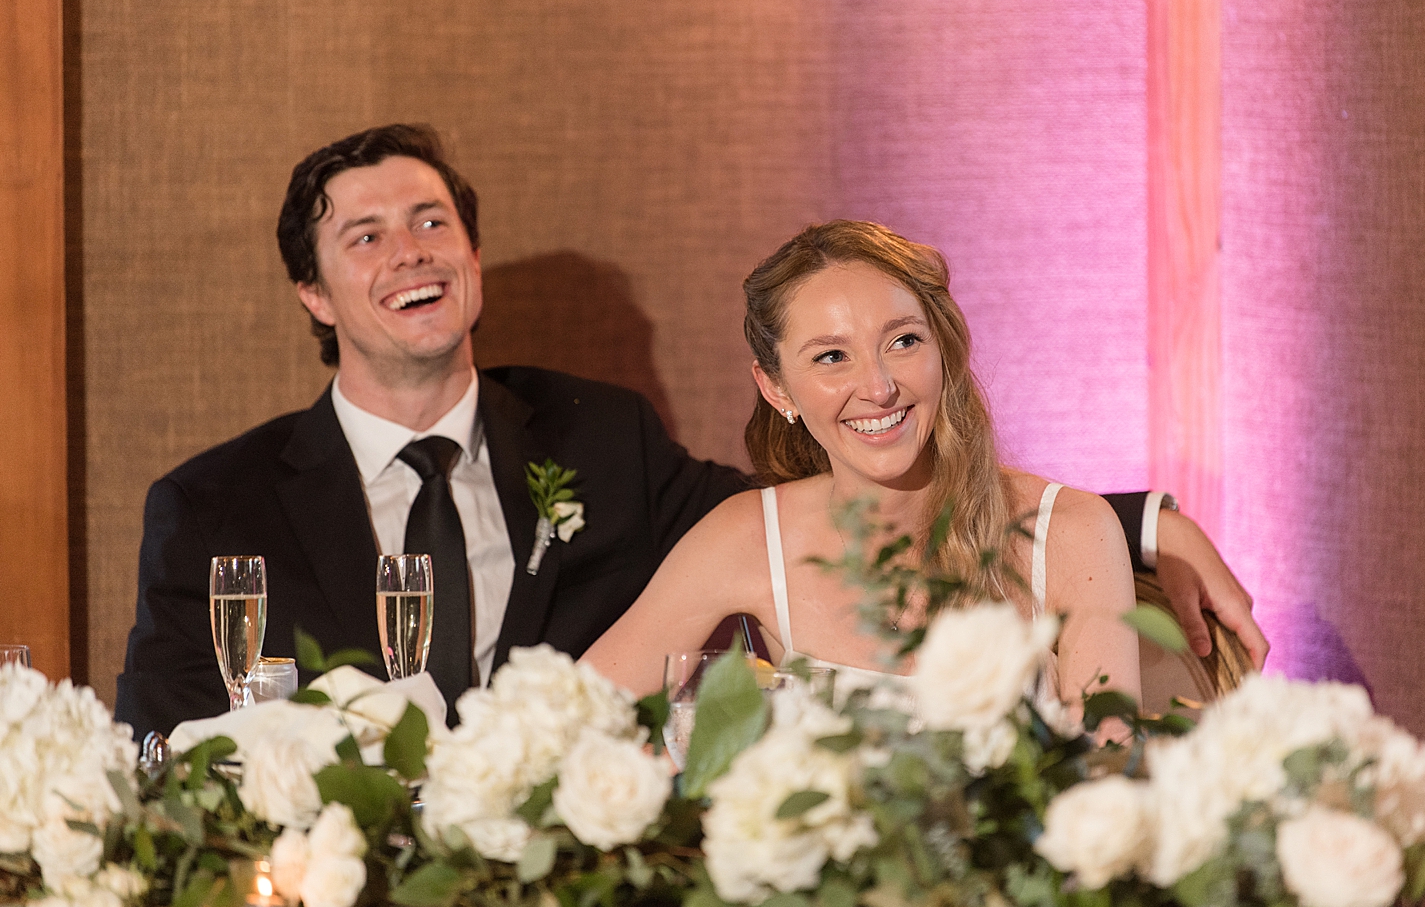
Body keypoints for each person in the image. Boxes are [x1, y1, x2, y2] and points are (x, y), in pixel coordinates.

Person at [115, 124, 1263, 739]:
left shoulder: (601, 436)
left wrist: (1135, 519)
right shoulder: (214, 501)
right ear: (312, 293)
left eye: (432, 219)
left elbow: (881, 490)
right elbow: (165, 740)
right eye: (364, 235)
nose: (410, 247)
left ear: (472, 252)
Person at [585, 222, 1129, 707]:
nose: (878, 387)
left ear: (945, 351)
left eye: (903, 341)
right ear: (776, 389)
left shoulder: (1073, 533)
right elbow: (565, 720)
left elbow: (1111, 773)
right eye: (831, 357)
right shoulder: (747, 537)